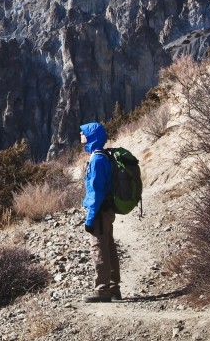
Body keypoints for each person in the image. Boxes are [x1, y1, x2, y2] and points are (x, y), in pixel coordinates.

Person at [80, 122, 121, 302]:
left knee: (98, 247)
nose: (81, 136)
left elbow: (96, 192)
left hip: (99, 211)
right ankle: (114, 288)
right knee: (109, 246)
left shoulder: (96, 160)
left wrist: (90, 218)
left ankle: (103, 289)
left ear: (92, 136)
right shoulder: (102, 156)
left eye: (83, 133)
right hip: (106, 209)